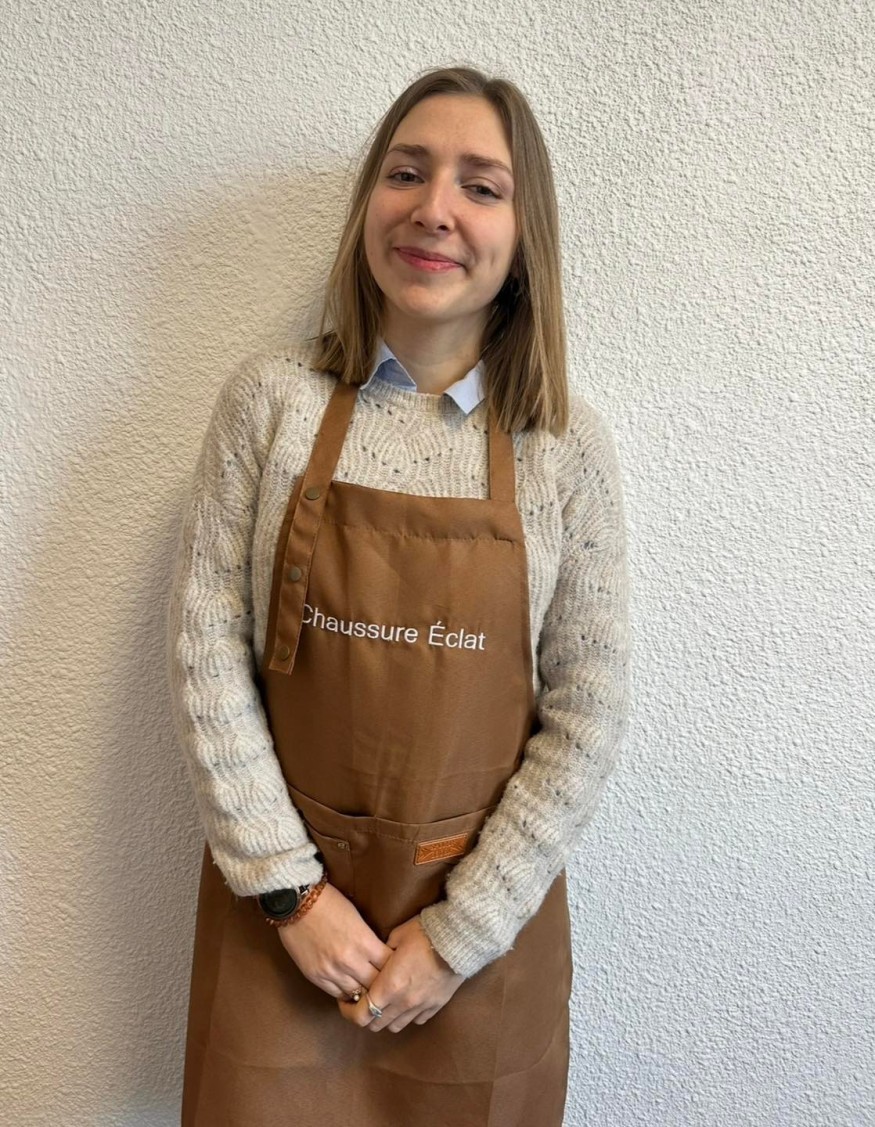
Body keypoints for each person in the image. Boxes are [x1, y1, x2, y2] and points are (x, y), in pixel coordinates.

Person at [166, 63, 631, 1127]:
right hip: (282, 937)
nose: (434, 209)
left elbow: (588, 711)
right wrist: (290, 893)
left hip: (475, 962)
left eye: (481, 185)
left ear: (523, 235)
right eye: (407, 172)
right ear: (368, 203)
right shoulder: (271, 406)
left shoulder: (561, 447)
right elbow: (206, 656)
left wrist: (457, 936)